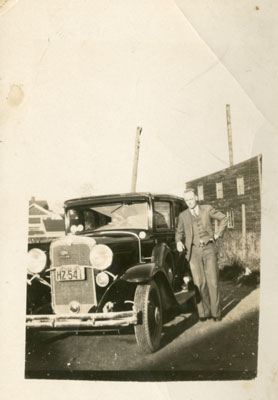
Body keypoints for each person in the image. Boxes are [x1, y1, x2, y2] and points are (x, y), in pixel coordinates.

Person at [176, 188, 228, 322]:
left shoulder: (207, 209)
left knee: (213, 281)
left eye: (191, 199)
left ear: (196, 198)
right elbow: (179, 232)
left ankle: (216, 313)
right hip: (193, 252)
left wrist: (217, 234)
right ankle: (204, 313)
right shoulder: (183, 215)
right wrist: (178, 241)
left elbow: (223, 218)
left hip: (209, 248)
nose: (189, 202)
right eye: (186, 200)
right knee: (199, 283)